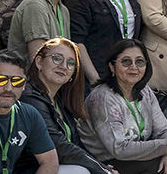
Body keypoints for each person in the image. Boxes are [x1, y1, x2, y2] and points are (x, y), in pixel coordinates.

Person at [84, 40, 167, 174]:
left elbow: (163, 130)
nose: (133, 67)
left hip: (138, 156)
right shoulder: (101, 98)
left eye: (140, 62)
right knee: (158, 167)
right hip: (109, 162)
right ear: (112, 67)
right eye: (126, 62)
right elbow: (119, 149)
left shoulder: (145, 91)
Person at [21, 39, 113, 174]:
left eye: (71, 63)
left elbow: (75, 144)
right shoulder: (30, 97)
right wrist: (101, 170)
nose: (64, 66)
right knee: (80, 171)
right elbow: (58, 146)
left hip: (59, 166)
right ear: (39, 62)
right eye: (57, 58)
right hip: (31, 168)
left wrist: (100, 166)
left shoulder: (60, 99)